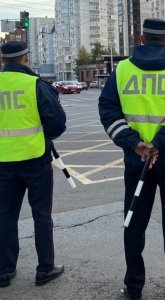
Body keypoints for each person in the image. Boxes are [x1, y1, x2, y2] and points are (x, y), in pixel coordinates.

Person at [98, 19, 165, 300]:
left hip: (137, 160)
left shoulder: (121, 69)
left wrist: (136, 145)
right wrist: (161, 144)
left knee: (133, 224)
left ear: (141, 39)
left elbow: (108, 110)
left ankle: (133, 289)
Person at [0, 41, 66, 288]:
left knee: (5, 216)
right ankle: (45, 268)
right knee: (41, 214)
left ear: (3, 60)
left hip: (3, 161)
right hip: (35, 159)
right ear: (26, 58)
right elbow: (57, 123)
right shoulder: (35, 85)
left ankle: (5, 271)